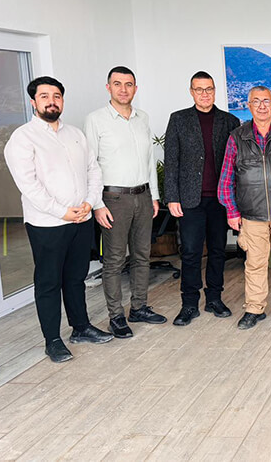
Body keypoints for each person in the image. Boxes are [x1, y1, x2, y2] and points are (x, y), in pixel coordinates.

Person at [4, 76, 113, 362]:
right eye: (44, 96)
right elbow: (29, 185)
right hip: (48, 225)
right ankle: (52, 339)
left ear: (62, 100)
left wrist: (90, 202)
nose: (51, 101)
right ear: (33, 102)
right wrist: (61, 211)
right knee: (49, 282)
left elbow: (93, 170)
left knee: (76, 278)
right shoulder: (23, 138)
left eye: (56, 96)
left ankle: (81, 327)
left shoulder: (75, 134)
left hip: (81, 219)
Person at [85, 66, 167, 338]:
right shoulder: (95, 120)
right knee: (114, 260)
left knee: (142, 255)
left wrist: (154, 196)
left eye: (129, 84)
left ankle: (139, 308)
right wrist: (97, 204)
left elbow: (148, 160)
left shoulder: (143, 118)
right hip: (114, 199)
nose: (123, 89)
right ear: (108, 87)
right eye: (117, 84)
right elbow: (90, 165)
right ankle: (116, 316)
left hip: (143, 196)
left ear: (135, 88)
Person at [218, 86, 271, 330]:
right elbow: (226, 179)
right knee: (255, 264)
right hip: (251, 214)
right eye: (256, 101)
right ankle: (254, 308)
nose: (262, 106)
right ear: (249, 106)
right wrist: (232, 211)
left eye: (266, 101)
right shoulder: (237, 137)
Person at [163, 71, 241, 326]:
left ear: (215, 91)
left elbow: (237, 163)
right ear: (191, 92)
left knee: (218, 250)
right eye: (199, 89)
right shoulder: (178, 119)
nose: (204, 94)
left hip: (220, 200)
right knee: (191, 252)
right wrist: (172, 197)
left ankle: (214, 298)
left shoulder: (230, 121)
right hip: (189, 199)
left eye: (209, 89)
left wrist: (236, 201)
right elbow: (171, 160)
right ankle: (189, 303)